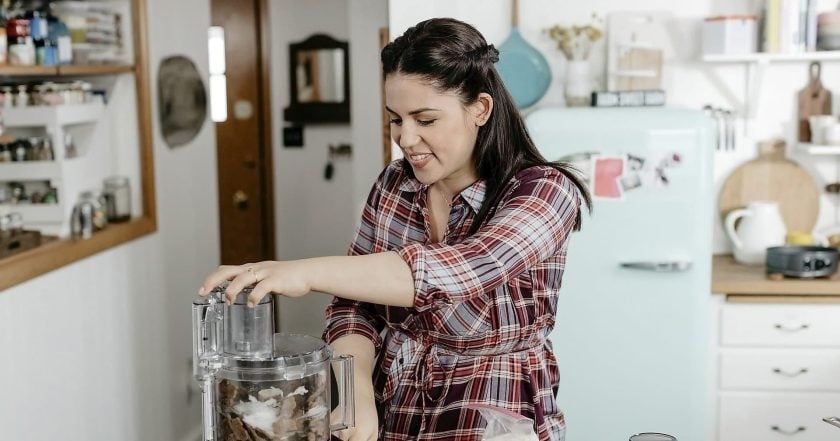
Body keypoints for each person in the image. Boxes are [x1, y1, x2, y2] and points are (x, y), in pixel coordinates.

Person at [200, 17, 590, 441]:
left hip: (495, 415)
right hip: (397, 412)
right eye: (396, 120)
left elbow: (463, 269)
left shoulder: (544, 192)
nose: (405, 138)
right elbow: (353, 305)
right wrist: (357, 392)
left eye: (425, 120)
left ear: (479, 109)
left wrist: (303, 271)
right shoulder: (394, 184)